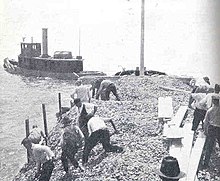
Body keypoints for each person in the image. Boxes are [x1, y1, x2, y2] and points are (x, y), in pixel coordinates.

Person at [202, 95, 220, 168]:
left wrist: (205, 130)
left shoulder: (209, 110)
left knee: (209, 147)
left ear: (213, 101)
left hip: (212, 128)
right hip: (219, 128)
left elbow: (205, 122)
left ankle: (205, 164)